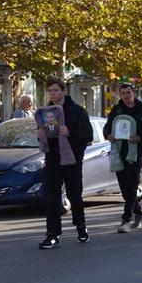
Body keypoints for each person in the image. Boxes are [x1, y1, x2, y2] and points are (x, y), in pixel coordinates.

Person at [36, 78, 92, 249]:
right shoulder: (46, 112)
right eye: (50, 91)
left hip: (72, 159)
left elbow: (88, 135)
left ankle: (81, 228)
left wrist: (70, 132)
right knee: (51, 196)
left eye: (56, 90)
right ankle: (53, 234)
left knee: (75, 195)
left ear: (63, 91)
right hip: (52, 158)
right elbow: (47, 132)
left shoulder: (76, 111)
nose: (53, 94)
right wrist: (40, 135)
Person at [103, 83, 142, 233]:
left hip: (136, 153)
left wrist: (140, 138)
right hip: (119, 152)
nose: (126, 96)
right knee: (125, 189)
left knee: (132, 186)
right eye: (123, 93)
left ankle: (126, 220)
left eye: (128, 92)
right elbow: (107, 127)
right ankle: (139, 214)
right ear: (120, 95)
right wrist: (108, 135)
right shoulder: (117, 110)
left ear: (133, 93)